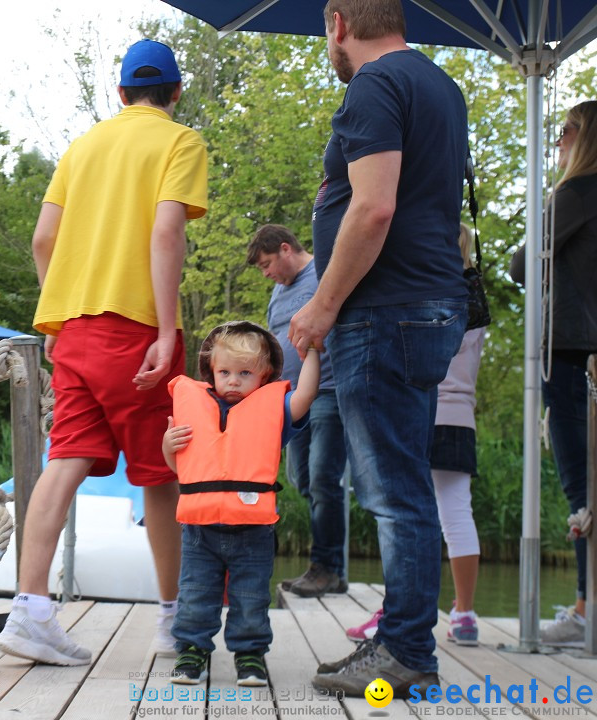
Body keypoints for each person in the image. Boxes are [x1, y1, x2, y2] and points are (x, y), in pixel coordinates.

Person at [0, 38, 209, 666]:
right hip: (137, 330)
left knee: (65, 464)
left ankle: (31, 612)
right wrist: (167, 332)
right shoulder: (179, 142)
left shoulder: (83, 146)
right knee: (160, 476)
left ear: (120, 93)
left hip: (75, 332)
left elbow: (44, 239)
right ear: (175, 92)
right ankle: (173, 623)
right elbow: (167, 230)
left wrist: (60, 310)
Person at [288, 0, 468, 696]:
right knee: (406, 486)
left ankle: (405, 653)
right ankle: (404, 640)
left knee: (394, 496)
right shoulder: (437, 84)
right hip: (426, 304)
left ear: (338, 21)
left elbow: (373, 206)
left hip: (384, 311)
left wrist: (322, 304)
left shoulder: (372, 84)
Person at [347, 225, 487, 646]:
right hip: (461, 418)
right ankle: (464, 613)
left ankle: (395, 610)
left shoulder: (428, 298)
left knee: (403, 511)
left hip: (421, 412)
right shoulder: (474, 306)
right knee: (456, 514)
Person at [163, 321, 318, 686]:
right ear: (211, 373)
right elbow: (183, 469)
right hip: (200, 532)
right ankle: (192, 652)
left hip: (253, 533)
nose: (233, 381)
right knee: (195, 595)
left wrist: (313, 350)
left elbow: (306, 395)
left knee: (250, 598)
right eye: (225, 372)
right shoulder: (194, 410)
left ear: (264, 377)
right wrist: (167, 447)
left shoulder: (274, 410)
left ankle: (249, 656)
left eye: (245, 373)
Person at [509, 100, 597, 647]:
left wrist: (545, 210)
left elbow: (523, 265)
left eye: (563, 132)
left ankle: (586, 609)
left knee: (581, 486)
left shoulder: (575, 194)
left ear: (581, 138)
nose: (557, 141)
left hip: (568, 351)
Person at [247, 224, 349, 598]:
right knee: (301, 480)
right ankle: (330, 569)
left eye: (267, 264)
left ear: (286, 249)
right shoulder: (278, 292)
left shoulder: (324, 273)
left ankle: (326, 568)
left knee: (323, 479)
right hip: (288, 401)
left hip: (327, 391)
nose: (266, 273)